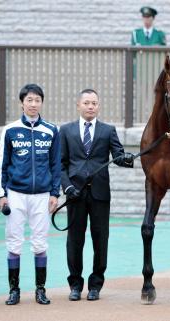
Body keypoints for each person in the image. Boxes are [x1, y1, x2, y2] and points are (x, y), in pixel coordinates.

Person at [61, 89, 134, 301]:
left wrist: (128, 158)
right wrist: (67, 187)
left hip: (100, 194)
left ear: (98, 106)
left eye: (94, 103)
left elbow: (118, 156)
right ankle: (75, 284)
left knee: (100, 239)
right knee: (74, 240)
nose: (90, 106)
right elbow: (60, 165)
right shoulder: (65, 131)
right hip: (75, 194)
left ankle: (95, 285)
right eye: (86, 103)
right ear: (78, 105)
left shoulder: (108, 130)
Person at [0, 84, 61, 305]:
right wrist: (1, 194)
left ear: (42, 102)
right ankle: (14, 290)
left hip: (42, 195)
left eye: (37, 100)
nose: (33, 104)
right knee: (14, 242)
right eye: (29, 100)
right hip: (15, 194)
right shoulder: (10, 130)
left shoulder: (51, 130)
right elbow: (2, 165)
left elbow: (56, 165)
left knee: (40, 243)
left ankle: (40, 290)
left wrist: (55, 193)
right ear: (22, 102)